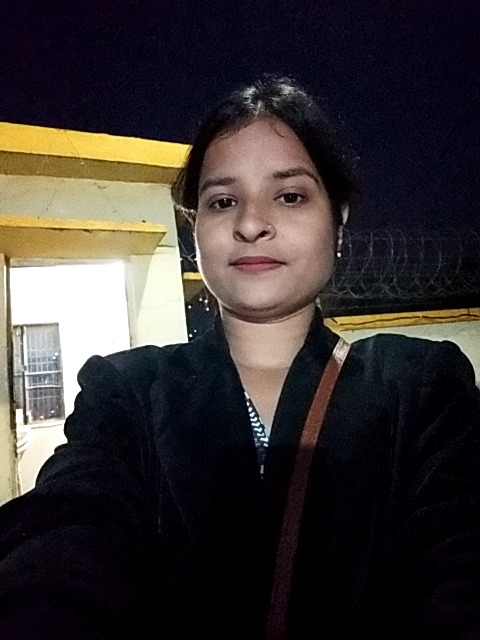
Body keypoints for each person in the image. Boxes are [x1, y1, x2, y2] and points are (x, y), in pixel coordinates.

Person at [0, 75, 479, 640]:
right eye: (223, 201)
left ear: (339, 219)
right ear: (194, 229)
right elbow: (68, 534)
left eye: (290, 196)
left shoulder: (421, 388)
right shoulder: (126, 392)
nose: (250, 224)